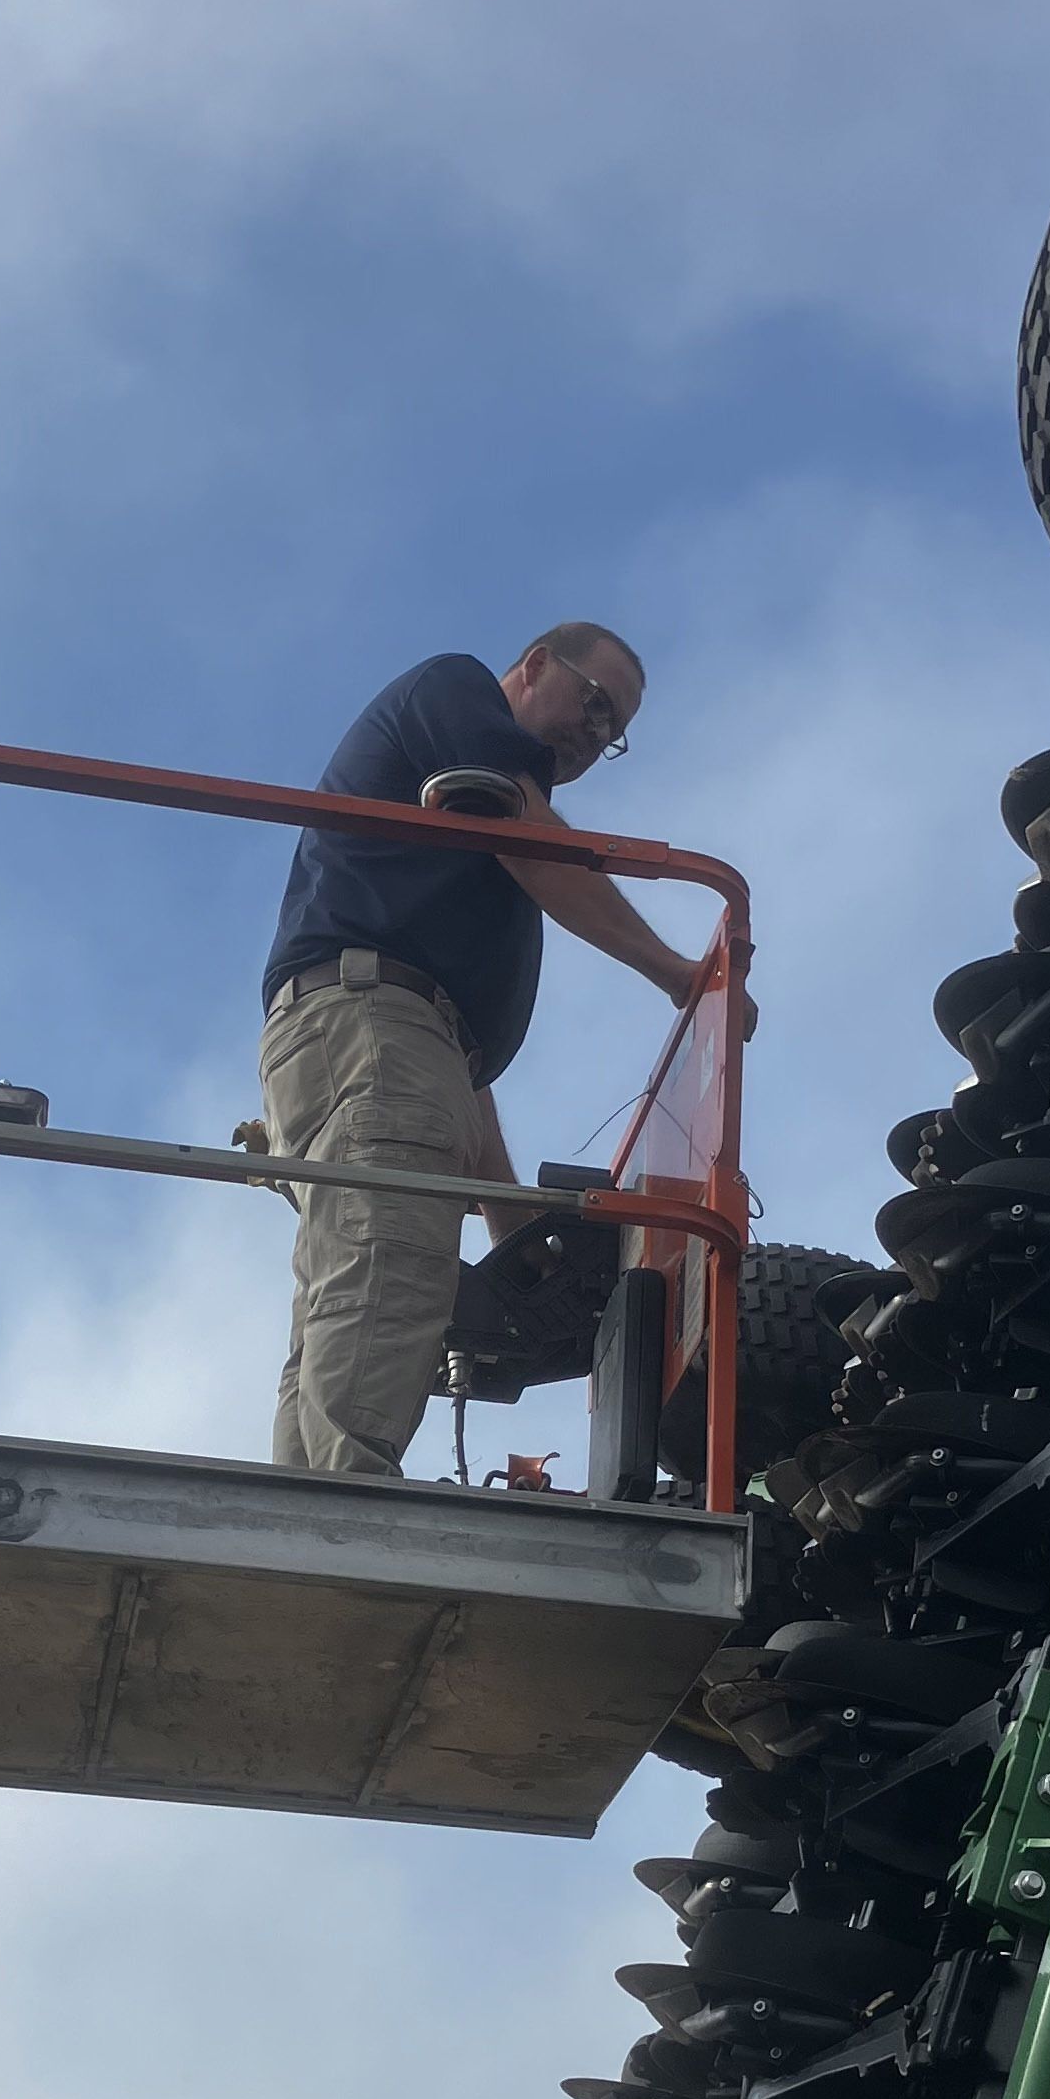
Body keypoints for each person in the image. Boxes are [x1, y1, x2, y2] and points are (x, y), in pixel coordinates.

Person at [258, 623, 735, 1478]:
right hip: (369, 1026)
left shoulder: (461, 882)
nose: (594, 733)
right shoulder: (458, 695)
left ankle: (305, 1504)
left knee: (355, 1276)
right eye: (594, 702)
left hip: (384, 1040)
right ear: (536, 666)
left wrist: (509, 1222)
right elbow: (528, 839)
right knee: (386, 1268)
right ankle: (341, 1518)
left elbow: (453, 1067)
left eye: (612, 729)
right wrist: (679, 974)